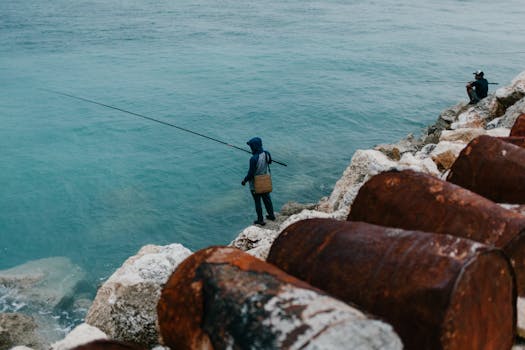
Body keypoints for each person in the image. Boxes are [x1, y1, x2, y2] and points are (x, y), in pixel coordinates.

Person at [241, 137, 276, 226]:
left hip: (255, 183)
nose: (250, 148)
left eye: (251, 146)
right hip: (264, 180)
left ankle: (260, 220)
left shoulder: (253, 159)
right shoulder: (267, 153)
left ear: (254, 147)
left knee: (257, 201)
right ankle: (271, 215)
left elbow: (251, 174)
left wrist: (244, 180)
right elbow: (270, 162)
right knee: (267, 199)